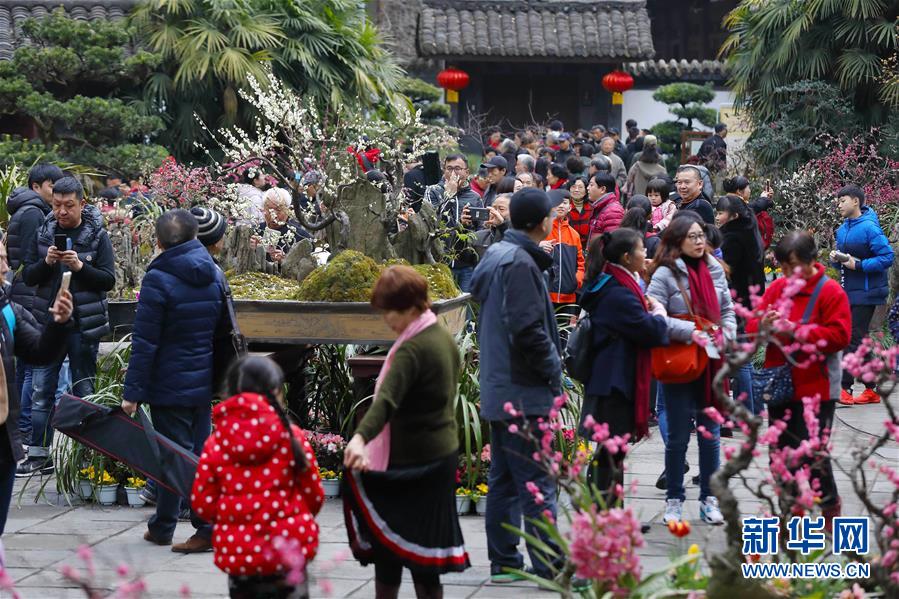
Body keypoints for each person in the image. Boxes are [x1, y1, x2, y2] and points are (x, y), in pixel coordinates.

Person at [343, 266, 469, 599]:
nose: (386, 319)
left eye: (391, 311)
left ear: (412, 307)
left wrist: (359, 439)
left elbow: (384, 403)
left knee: (393, 554)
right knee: (425, 558)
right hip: (439, 456)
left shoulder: (413, 348)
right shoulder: (441, 337)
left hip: (412, 463)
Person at [470, 188, 562, 584]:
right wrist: (554, 370)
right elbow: (529, 332)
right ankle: (552, 566)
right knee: (537, 481)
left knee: (505, 480)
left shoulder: (498, 255)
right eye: (552, 214)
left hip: (501, 385)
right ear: (541, 222)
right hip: (522, 390)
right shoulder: (520, 263)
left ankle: (505, 562)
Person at [123, 209, 224, 553]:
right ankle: (163, 524)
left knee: (180, 457)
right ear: (196, 237)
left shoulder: (158, 277)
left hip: (169, 384)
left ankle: (208, 527)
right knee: (184, 454)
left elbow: (145, 342)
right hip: (203, 378)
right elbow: (224, 330)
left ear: (159, 242)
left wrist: (132, 392)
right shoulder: (214, 273)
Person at [192, 356, 325, 599]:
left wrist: (231, 518)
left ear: (230, 392)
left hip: (240, 554)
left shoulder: (216, 443)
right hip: (288, 549)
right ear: (276, 391)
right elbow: (314, 495)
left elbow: (202, 502)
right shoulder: (292, 438)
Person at [746, 231, 851, 528]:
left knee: (813, 453)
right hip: (781, 381)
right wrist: (763, 325)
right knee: (780, 453)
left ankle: (829, 506)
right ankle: (790, 511)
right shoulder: (777, 288)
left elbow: (839, 336)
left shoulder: (830, 291)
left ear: (812, 261)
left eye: (793, 265)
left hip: (817, 385)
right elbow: (753, 324)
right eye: (782, 266)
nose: (787, 272)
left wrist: (797, 330)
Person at [18, 176, 115, 476]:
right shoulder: (43, 233)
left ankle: (85, 455)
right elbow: (29, 277)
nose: (61, 211)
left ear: (82, 204)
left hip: (83, 325)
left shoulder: (98, 236)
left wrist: (80, 267)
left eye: (68, 205)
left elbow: (108, 280)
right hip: (48, 325)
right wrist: (46, 262)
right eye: (56, 205)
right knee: (41, 389)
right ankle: (39, 453)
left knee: (84, 388)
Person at [647, 217, 736, 526]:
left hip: (712, 361)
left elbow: (727, 310)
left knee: (711, 435)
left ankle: (709, 499)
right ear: (676, 241)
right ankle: (674, 499)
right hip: (681, 362)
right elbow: (655, 317)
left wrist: (728, 333)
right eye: (692, 237)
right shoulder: (664, 274)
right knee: (677, 439)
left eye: (701, 236)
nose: (699, 242)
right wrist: (692, 331)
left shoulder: (714, 268)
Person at [579, 228, 669, 506]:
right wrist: (659, 313)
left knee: (611, 450)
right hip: (614, 382)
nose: (647, 254)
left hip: (610, 378)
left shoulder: (613, 283)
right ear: (628, 256)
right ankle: (604, 511)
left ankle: (606, 509)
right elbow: (648, 331)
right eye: (642, 249)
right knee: (611, 449)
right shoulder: (618, 292)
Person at [0, 239, 73, 534]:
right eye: (0, 260)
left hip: (4, 444)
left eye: (5, 258)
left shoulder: (6, 309)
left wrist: (58, 322)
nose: (6, 267)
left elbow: (40, 352)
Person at [5, 163, 64, 445]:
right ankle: (28, 427)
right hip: (29, 294)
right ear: (36, 187)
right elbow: (31, 260)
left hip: (25, 293)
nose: (56, 193)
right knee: (31, 367)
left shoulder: (28, 210)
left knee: (27, 366)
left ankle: (26, 426)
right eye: (52, 186)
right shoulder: (32, 214)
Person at [831, 184, 894, 405]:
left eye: (843, 200)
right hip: (849, 291)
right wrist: (837, 259)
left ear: (856, 201)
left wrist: (858, 265)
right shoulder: (842, 229)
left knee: (852, 338)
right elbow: (844, 263)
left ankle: (844, 388)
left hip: (868, 292)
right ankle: (871, 389)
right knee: (858, 338)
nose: (839, 205)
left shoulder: (870, 228)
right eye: (838, 201)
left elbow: (887, 257)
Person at [715, 195, 766, 415]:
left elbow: (726, 270)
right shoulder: (748, 229)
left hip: (737, 300)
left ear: (733, 216)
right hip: (749, 299)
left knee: (739, 359)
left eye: (720, 213)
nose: (717, 217)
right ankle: (753, 408)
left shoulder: (733, 237)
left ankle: (746, 411)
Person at [424, 155, 483, 292]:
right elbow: (431, 222)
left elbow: (480, 229)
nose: (453, 173)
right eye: (449, 168)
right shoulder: (433, 191)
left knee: (465, 308)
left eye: (458, 169)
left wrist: (466, 226)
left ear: (467, 172)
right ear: (444, 171)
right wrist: (449, 195)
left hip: (465, 262)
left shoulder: (474, 197)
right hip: (439, 260)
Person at [542, 190, 584, 311]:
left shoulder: (574, 235)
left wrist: (576, 281)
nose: (561, 206)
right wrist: (539, 245)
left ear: (570, 207)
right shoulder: (542, 229)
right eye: (557, 203)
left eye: (564, 203)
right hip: (545, 295)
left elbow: (580, 264)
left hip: (568, 297)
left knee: (566, 329)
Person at [254, 188, 311, 263]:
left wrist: (286, 261)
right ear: (263, 209)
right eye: (269, 209)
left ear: (288, 210)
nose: (273, 215)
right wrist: (250, 249)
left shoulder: (301, 237)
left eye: (278, 210)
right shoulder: (255, 232)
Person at [586, 173, 624, 247]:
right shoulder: (599, 206)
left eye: (591, 185)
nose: (587, 188)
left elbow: (612, 243)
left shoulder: (613, 211)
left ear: (602, 189)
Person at [473, 194, 510, 259]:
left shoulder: (522, 235)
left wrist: (502, 226)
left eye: (501, 209)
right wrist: (464, 227)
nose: (495, 213)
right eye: (494, 208)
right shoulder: (478, 236)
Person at [566, 177, 592, 247]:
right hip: (570, 245)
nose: (576, 190)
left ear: (586, 190)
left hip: (587, 246)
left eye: (580, 187)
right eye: (573, 187)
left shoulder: (592, 208)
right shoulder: (565, 207)